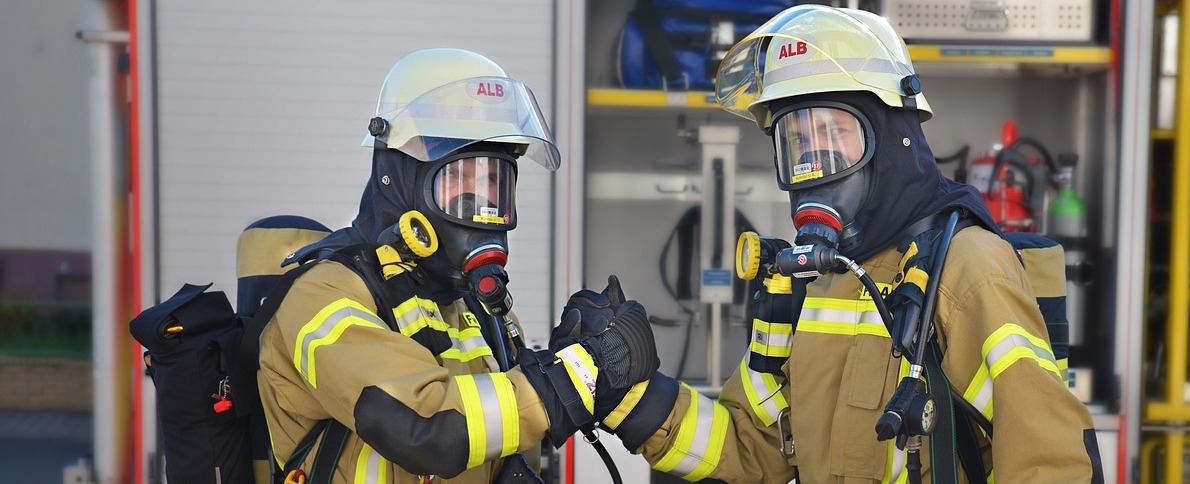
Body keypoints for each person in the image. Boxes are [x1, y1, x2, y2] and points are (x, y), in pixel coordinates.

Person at [557, 5, 1104, 483]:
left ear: (895, 135)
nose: (814, 164)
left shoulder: (968, 272)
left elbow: (1049, 463)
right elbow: (751, 450)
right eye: (797, 142)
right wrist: (630, 394)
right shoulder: (806, 284)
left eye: (835, 135)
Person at [256, 48, 661, 483]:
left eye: (492, 181)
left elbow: (503, 428)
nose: (479, 203)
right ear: (401, 179)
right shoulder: (323, 297)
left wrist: (569, 359)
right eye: (458, 179)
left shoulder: (480, 309)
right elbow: (426, 429)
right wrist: (579, 375)